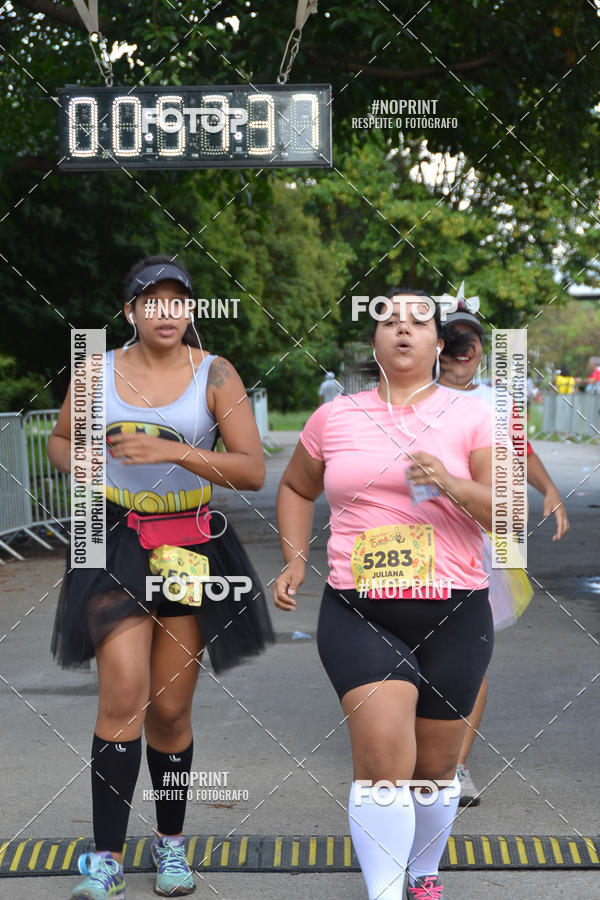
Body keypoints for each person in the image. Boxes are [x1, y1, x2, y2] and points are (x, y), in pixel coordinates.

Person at [48, 255, 274, 900]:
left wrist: (171, 450)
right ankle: (106, 857)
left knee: (170, 710)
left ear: (191, 310)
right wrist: (86, 465)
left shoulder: (215, 372)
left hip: (189, 542)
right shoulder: (96, 370)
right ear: (131, 311)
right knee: (123, 694)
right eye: (152, 301)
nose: (166, 312)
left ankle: (170, 845)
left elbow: (252, 470)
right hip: (113, 537)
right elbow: (61, 440)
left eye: (178, 301)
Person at [275, 288, 497, 900]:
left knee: (434, 770)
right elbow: (295, 488)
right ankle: (384, 892)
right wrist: (295, 559)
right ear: (373, 342)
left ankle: (424, 876)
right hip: (359, 610)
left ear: (438, 342)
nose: (402, 329)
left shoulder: (473, 416)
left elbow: (507, 513)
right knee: (381, 763)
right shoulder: (335, 417)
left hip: (455, 610)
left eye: (417, 322)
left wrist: (450, 482)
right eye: (389, 320)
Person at [439, 303, 569, 806]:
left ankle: (455, 767)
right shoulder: (414, 396)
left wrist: (550, 490)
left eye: (470, 340)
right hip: (419, 542)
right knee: (413, 655)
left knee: (469, 657)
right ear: (436, 347)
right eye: (451, 339)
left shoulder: (494, 401)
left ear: (481, 350)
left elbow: (521, 449)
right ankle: (414, 755)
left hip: (480, 544)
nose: (461, 350)